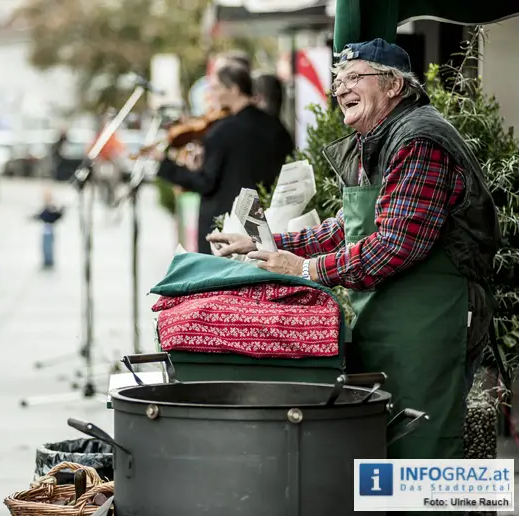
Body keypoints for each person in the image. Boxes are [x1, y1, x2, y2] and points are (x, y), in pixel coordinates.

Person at [208, 39, 501, 465]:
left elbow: (394, 245)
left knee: (423, 449)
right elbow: (348, 229)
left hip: (434, 322)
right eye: (337, 79)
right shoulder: (384, 138)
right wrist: (262, 243)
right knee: (393, 450)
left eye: (353, 77)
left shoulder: (419, 140)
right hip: (399, 323)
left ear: (394, 85)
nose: (340, 87)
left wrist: (307, 270)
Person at [153, 63, 294, 255]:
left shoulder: (221, 131)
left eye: (216, 88)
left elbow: (206, 183)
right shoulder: (276, 127)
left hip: (224, 226)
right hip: (266, 223)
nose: (212, 95)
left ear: (233, 89)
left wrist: (166, 164)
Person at [33, 187, 65, 268]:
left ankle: (49, 261)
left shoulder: (51, 208)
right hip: (47, 229)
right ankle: (47, 261)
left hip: (49, 229)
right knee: (46, 246)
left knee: (47, 246)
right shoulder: (49, 208)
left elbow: (49, 216)